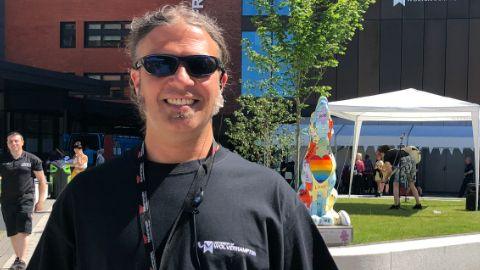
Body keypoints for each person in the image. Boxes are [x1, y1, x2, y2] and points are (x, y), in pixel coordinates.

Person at [28, 5, 338, 270]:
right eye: (159, 64)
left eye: (200, 65)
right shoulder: (86, 197)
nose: (181, 79)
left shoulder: (271, 197)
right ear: (136, 81)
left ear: (222, 83)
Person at [0, 131, 47, 270]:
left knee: (23, 229)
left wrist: (41, 201)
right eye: (10, 141)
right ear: (7, 144)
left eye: (16, 141)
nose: (13, 143)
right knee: (13, 231)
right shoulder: (2, 159)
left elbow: (42, 181)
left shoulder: (32, 159)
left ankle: (22, 260)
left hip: (26, 199)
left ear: (22, 142)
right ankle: (18, 258)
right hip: (7, 200)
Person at [376, 145, 422, 210]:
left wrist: (385, 179)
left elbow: (389, 170)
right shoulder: (393, 152)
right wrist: (388, 176)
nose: (376, 153)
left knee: (395, 184)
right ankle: (418, 204)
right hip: (411, 160)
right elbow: (394, 169)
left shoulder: (386, 155)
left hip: (404, 161)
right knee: (411, 184)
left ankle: (396, 205)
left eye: (377, 151)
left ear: (381, 152)